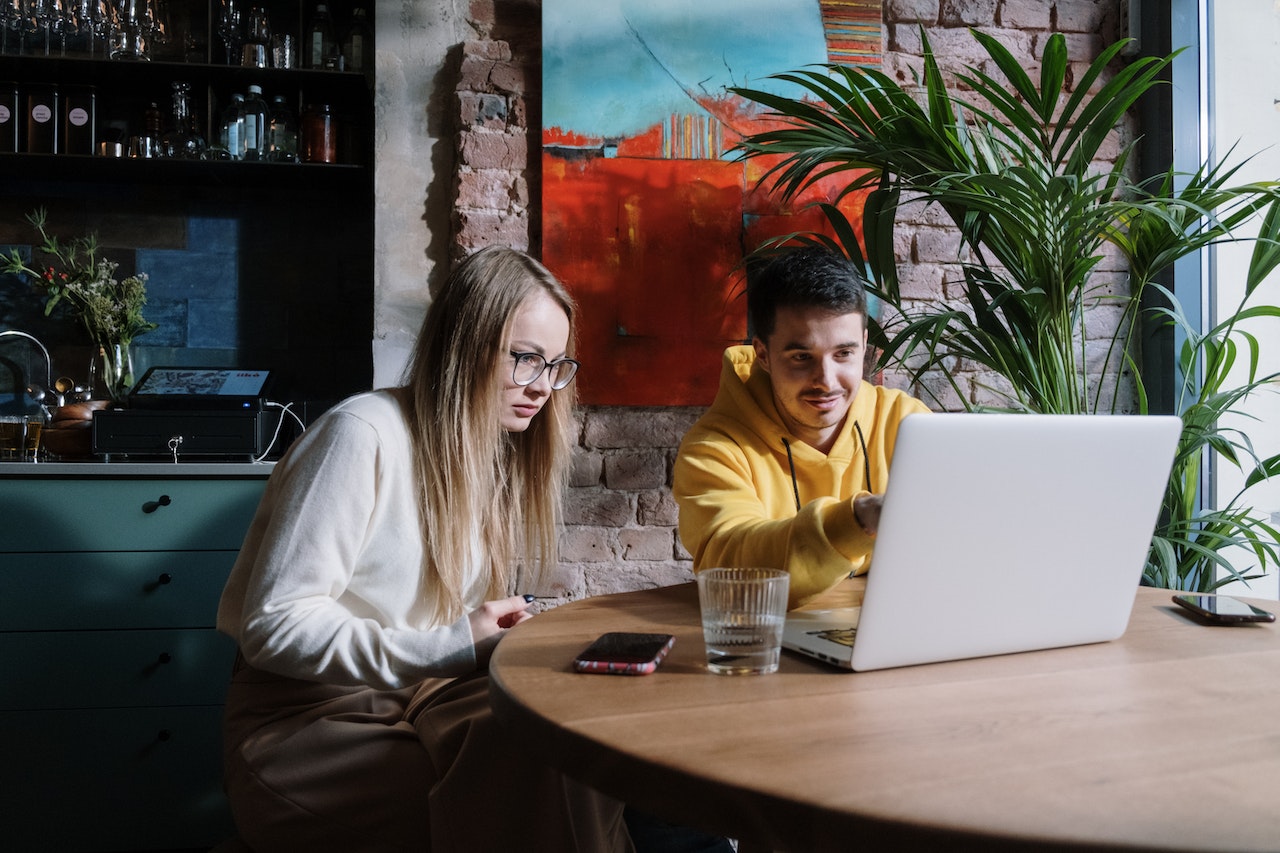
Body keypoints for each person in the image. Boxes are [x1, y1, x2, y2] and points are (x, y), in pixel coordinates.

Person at [216, 246, 633, 852]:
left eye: (556, 365)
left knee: (569, 743)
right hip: (307, 721)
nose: (543, 388)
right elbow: (274, 627)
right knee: (528, 795)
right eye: (524, 359)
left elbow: (441, 631)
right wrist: (453, 643)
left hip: (425, 695)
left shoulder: (489, 451)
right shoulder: (359, 434)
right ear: (465, 345)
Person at [672, 245, 931, 607]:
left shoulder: (906, 424)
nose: (826, 381)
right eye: (801, 357)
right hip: (770, 642)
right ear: (763, 354)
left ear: (865, 345)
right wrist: (857, 521)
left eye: (844, 353)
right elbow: (731, 568)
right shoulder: (714, 448)